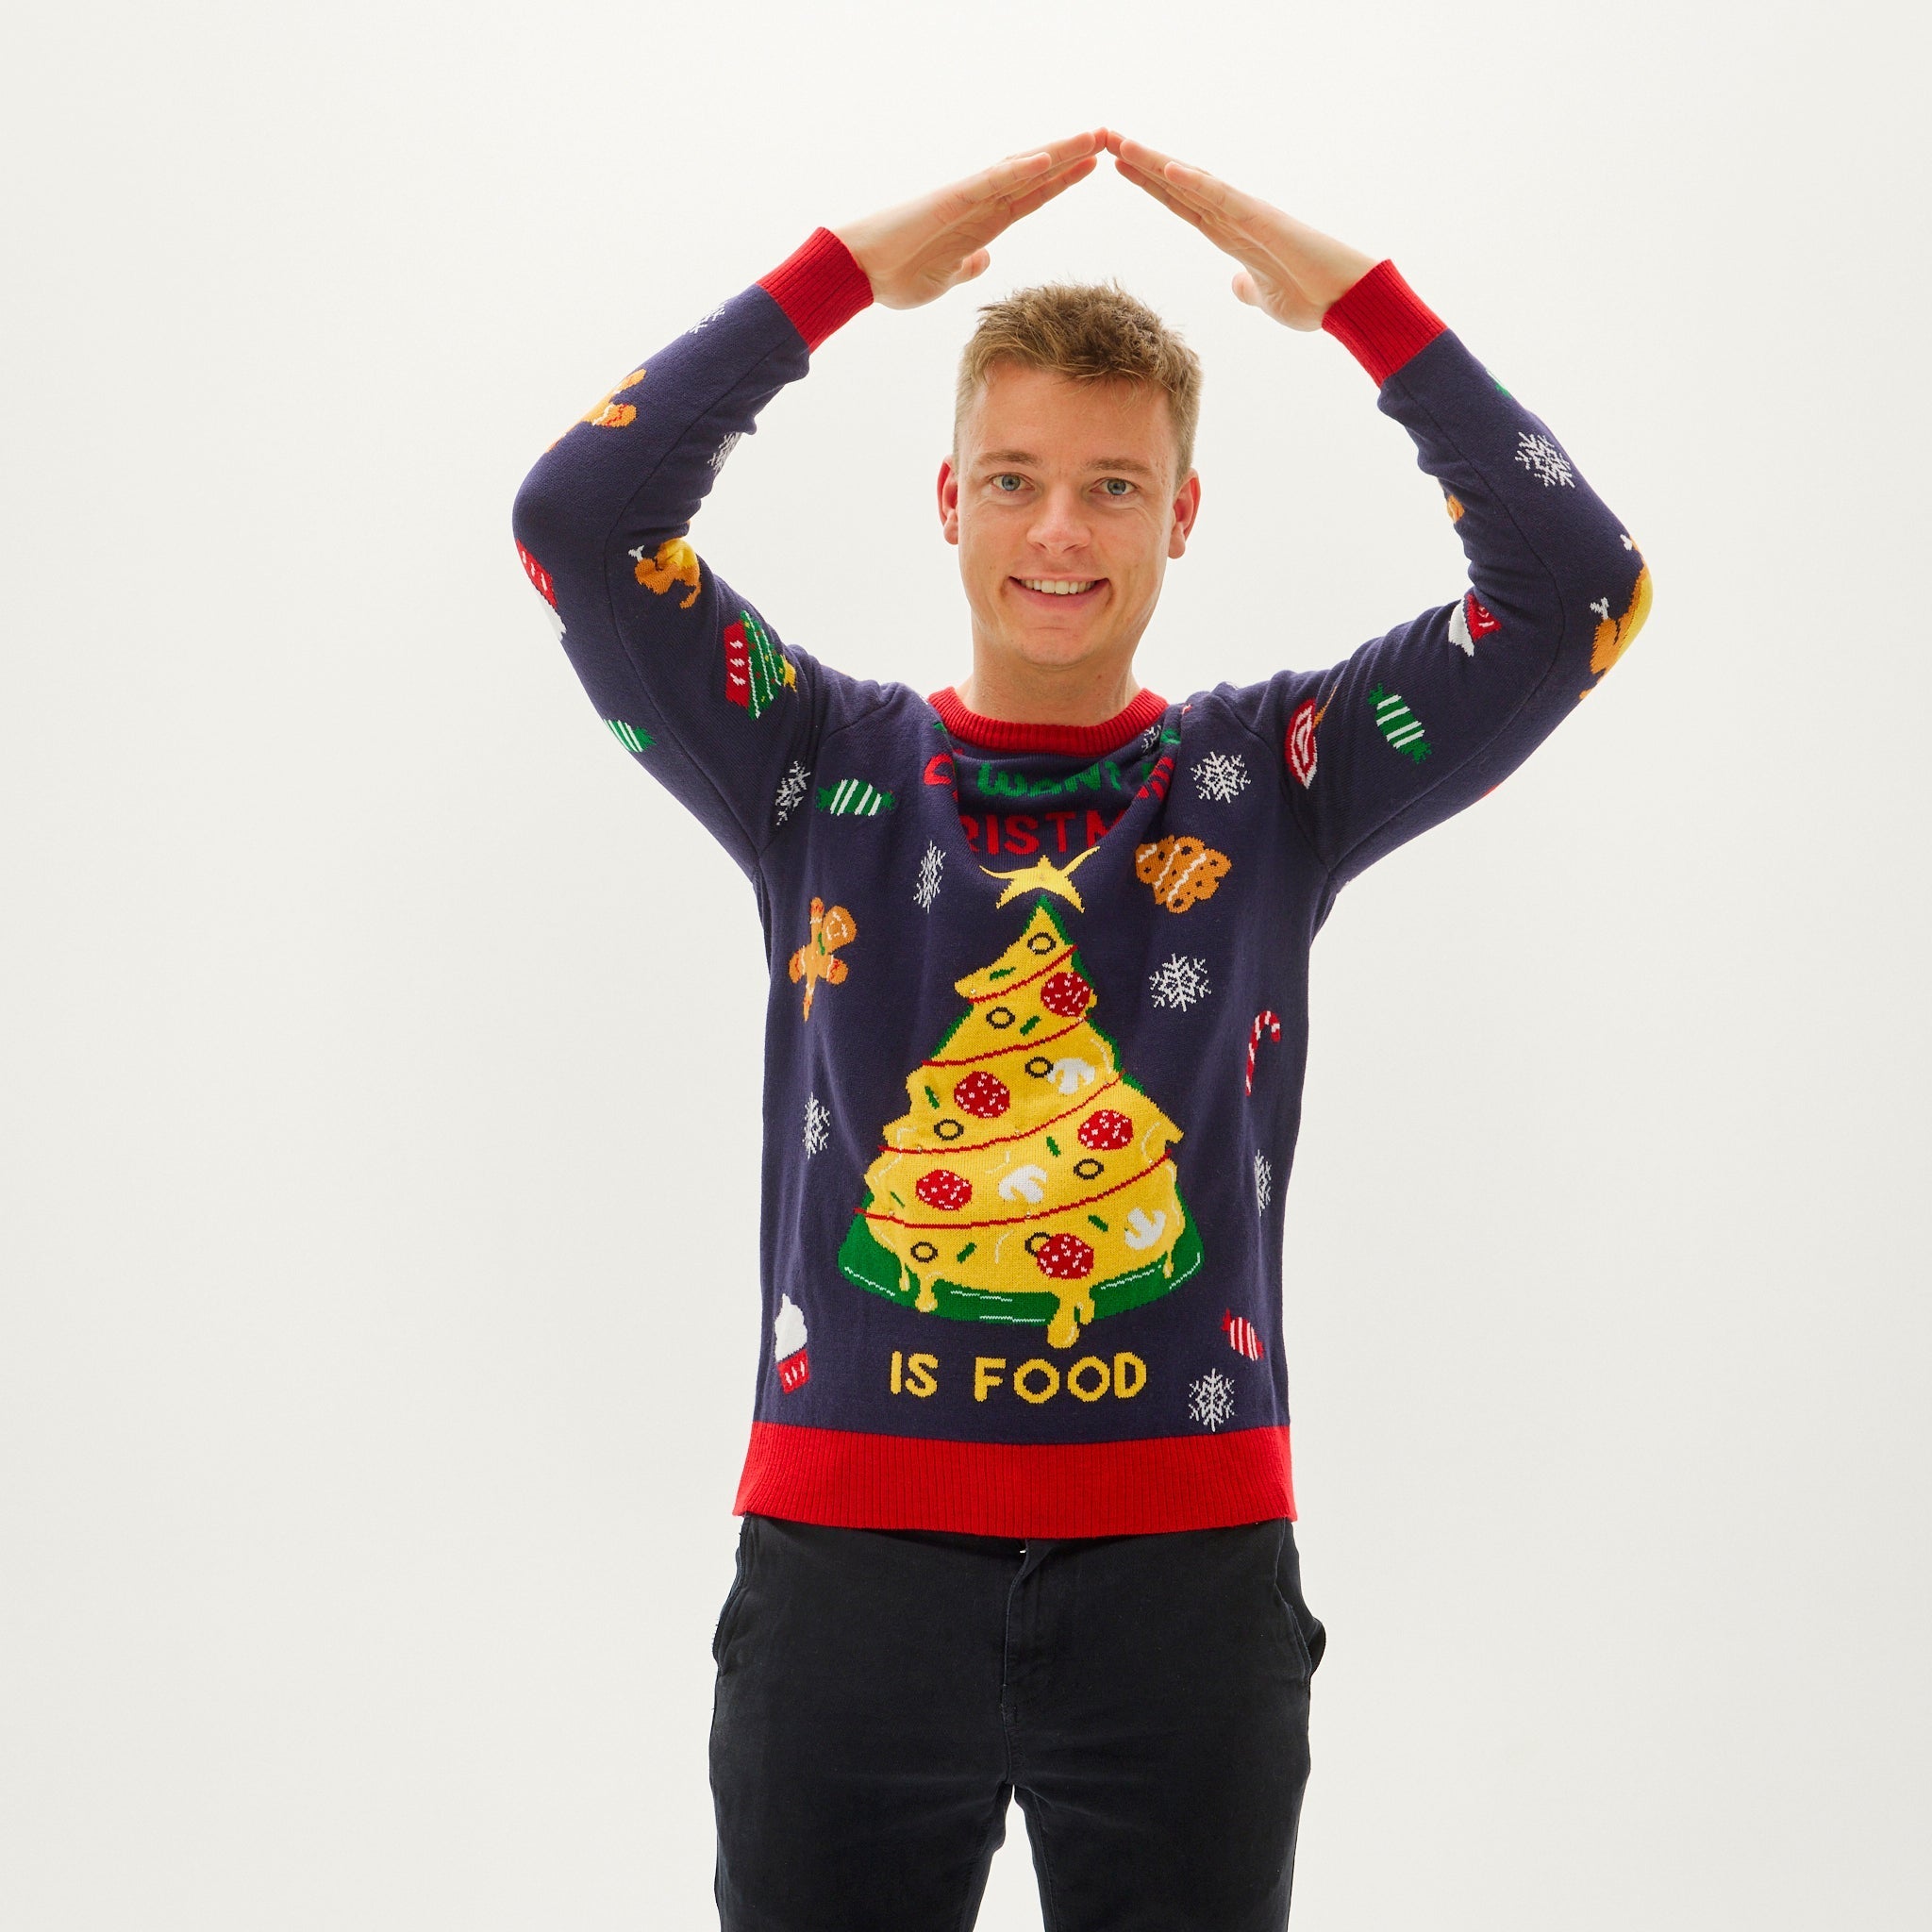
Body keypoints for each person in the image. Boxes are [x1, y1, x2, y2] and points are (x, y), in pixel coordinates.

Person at [510, 126, 1651, 1932]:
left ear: (1183, 515)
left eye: (1115, 486)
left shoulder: (1276, 777)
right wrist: (838, 279)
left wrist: (1359, 307)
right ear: (947, 500)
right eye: (1016, 479)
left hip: (1186, 1592)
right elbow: (578, 522)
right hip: (846, 1584)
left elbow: (1580, 587)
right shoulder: (811, 762)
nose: (1060, 530)